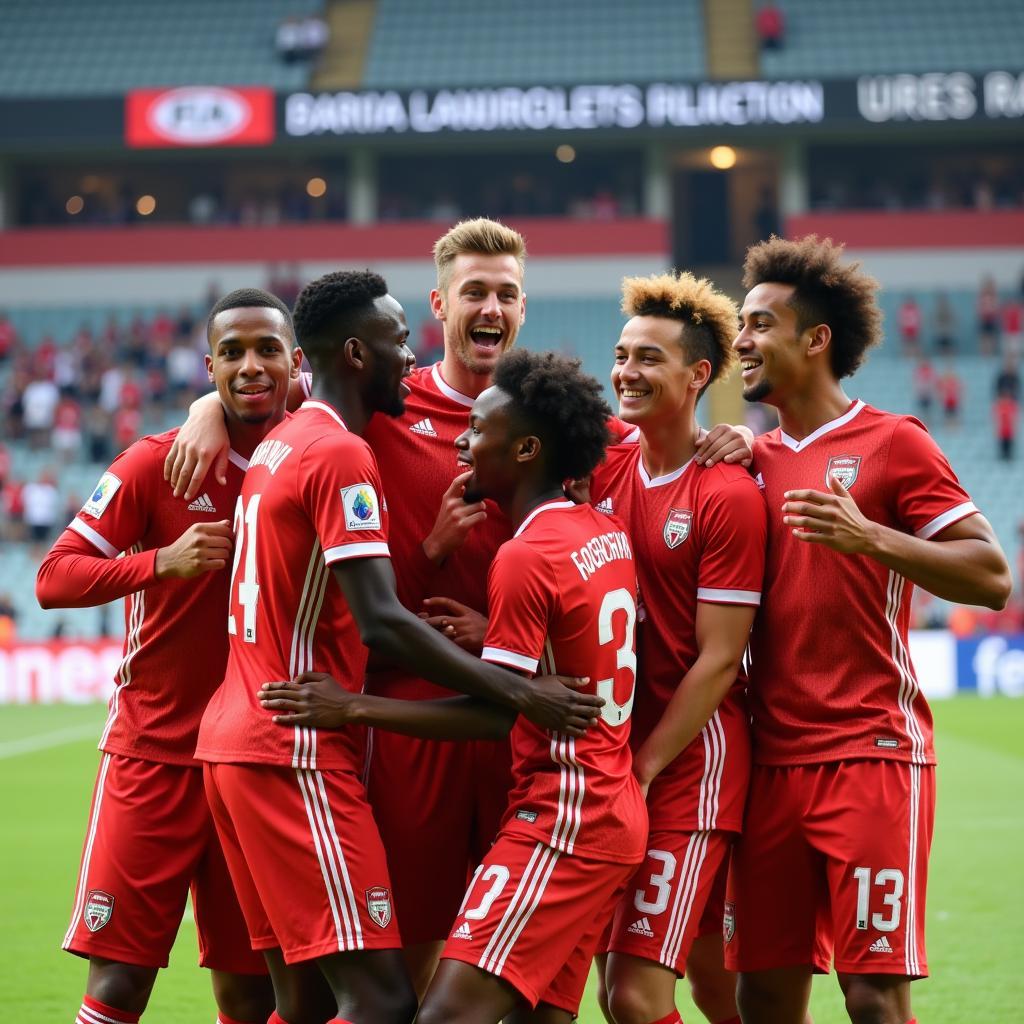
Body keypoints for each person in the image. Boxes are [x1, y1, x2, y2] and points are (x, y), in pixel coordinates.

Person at [193, 271, 604, 1024]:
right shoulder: (342, 454)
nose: (410, 358)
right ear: (355, 352)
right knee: (382, 1002)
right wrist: (515, 690)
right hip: (294, 746)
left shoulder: (285, 442)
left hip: (235, 741)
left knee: (304, 1002)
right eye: (397, 340)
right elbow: (381, 619)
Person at [259, 349, 649, 1024]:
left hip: (562, 819)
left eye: (478, 429)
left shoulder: (524, 556)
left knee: (441, 1015)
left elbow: (497, 714)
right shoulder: (604, 531)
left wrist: (352, 705)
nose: (462, 442)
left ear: (526, 449)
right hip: (609, 810)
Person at [727, 235, 1012, 1024]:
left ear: (815, 339)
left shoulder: (894, 442)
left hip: (869, 753)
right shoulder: (748, 459)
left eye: (759, 324)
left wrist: (873, 537)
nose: (741, 341)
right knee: (764, 996)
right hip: (768, 763)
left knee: (874, 998)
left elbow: (991, 576)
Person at [35, 288, 307, 1024]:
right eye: (233, 354)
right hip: (153, 754)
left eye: (268, 350)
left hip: (255, 761)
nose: (251, 366)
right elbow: (54, 578)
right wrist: (160, 562)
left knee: (249, 993)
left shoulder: (318, 459)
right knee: (118, 981)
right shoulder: (155, 463)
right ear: (209, 365)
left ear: (296, 362)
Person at [590, 273, 767, 1024]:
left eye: (649, 358)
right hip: (623, 757)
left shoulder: (724, 491)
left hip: (690, 766)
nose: (627, 371)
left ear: (698, 375)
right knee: (699, 984)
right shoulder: (603, 462)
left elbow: (720, 660)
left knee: (634, 997)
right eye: (623, 354)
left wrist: (645, 766)